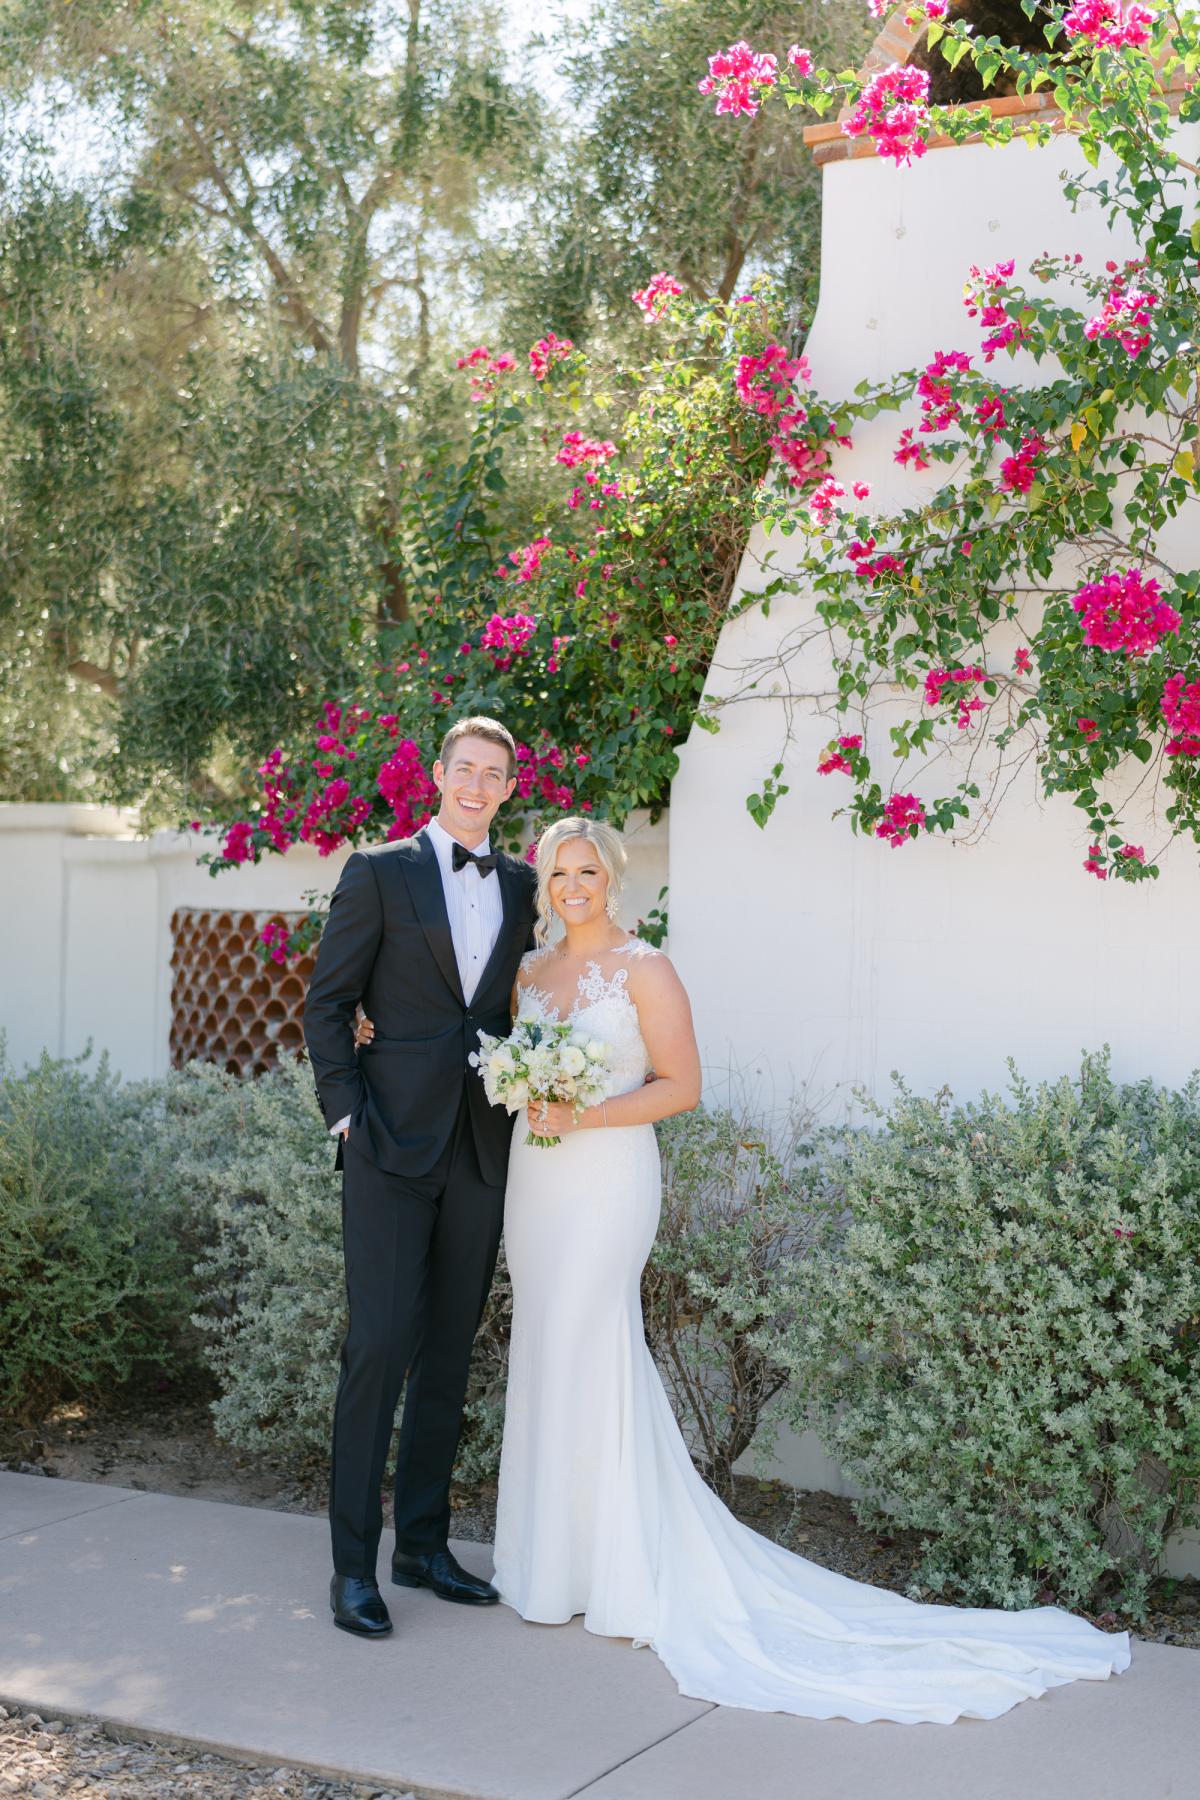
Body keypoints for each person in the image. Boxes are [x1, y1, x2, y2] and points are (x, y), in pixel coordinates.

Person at [354, 815, 1132, 1722]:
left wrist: (587, 1114)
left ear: (612, 877)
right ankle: (547, 1566)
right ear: (545, 884)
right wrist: (378, 1031)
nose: (572, 887)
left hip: (605, 1178)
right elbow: (464, 1037)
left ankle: (618, 1567)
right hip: (535, 1181)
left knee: (591, 1338)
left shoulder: (647, 969)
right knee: (544, 1347)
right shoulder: (528, 974)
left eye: (587, 872)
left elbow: (681, 1086)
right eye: (558, 873)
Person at [303, 715, 536, 1638]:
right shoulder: (379, 871)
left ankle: (424, 1546)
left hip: (481, 1150)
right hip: (388, 1150)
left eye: (494, 775)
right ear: (438, 774)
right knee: (379, 1348)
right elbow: (329, 1004)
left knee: (447, 1353)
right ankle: (352, 1568)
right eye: (464, 769)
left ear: (510, 789)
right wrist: (347, 1114)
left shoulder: (522, 886)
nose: (476, 786)